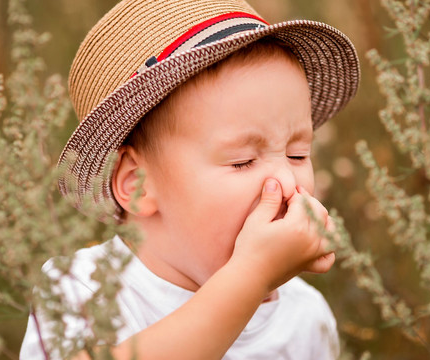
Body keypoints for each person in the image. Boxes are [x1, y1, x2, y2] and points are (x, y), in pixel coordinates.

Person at [20, 0, 360, 358]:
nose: (288, 183)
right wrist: (250, 275)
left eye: (298, 154)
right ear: (137, 185)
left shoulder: (306, 317)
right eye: (243, 161)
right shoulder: (82, 291)